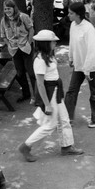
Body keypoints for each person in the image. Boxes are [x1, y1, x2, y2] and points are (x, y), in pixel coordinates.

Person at [18, 30, 84, 162]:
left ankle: (67, 146)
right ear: (46, 43)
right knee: (50, 125)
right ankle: (26, 146)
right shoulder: (40, 60)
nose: (55, 42)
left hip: (55, 91)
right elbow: (40, 84)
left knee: (64, 119)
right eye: (53, 41)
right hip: (49, 93)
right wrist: (47, 104)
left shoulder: (48, 56)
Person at [64, 2, 95, 129]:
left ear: (78, 14)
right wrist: (71, 57)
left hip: (91, 66)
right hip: (79, 64)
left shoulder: (88, 28)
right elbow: (72, 43)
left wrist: (87, 69)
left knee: (94, 92)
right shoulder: (73, 25)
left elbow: (93, 50)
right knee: (71, 91)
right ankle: (67, 118)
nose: (68, 15)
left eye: (71, 13)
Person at [0, 0, 36, 102]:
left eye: (9, 8)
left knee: (31, 72)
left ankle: (36, 96)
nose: (7, 11)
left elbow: (31, 29)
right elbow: (3, 36)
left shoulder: (23, 16)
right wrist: (9, 45)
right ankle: (26, 94)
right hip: (14, 50)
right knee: (20, 73)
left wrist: (29, 42)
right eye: (5, 9)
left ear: (14, 8)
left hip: (26, 47)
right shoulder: (4, 20)